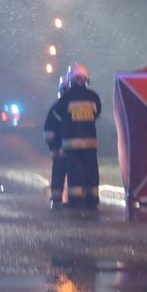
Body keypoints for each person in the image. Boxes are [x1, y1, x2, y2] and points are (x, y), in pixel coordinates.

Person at [52, 63, 101, 209]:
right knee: (91, 172)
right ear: (86, 79)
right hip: (90, 143)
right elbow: (97, 113)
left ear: (70, 81)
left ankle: (76, 201)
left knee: (75, 173)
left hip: (71, 144)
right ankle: (93, 200)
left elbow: (57, 115)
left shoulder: (65, 98)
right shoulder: (93, 97)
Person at [43, 74, 70, 210]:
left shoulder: (56, 108)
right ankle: (74, 201)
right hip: (72, 151)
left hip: (61, 149)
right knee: (76, 176)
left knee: (59, 174)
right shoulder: (59, 108)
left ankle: (57, 199)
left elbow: (48, 131)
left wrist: (53, 147)